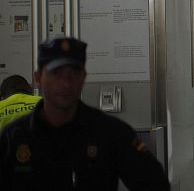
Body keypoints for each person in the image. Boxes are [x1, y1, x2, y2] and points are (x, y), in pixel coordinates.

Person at [0, 37, 169, 190]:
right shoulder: (13, 138)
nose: (66, 83)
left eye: (73, 74)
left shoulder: (110, 133)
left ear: (83, 77)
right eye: (56, 74)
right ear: (38, 79)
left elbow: (155, 184)